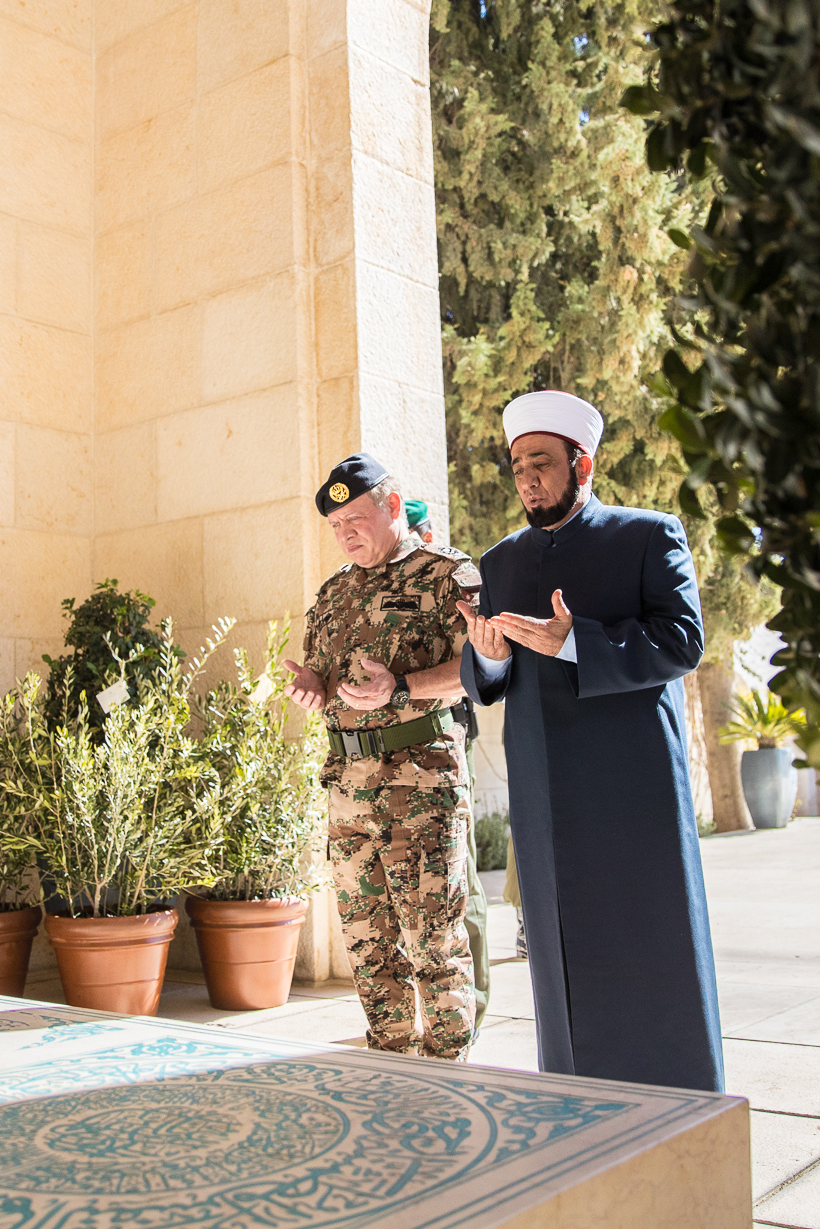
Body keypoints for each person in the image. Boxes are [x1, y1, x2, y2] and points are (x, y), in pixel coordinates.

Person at [458, 390, 725, 1092]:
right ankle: (575, 1106)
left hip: (633, 793)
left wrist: (576, 640)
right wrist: (486, 655)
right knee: (563, 968)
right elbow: (484, 675)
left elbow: (683, 641)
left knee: (652, 951)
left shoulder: (648, 535)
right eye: (517, 467)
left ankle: (681, 1105)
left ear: (584, 462)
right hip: (548, 800)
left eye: (541, 463)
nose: (527, 479)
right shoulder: (500, 561)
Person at [285, 455, 479, 1059]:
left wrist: (401, 686)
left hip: (422, 785)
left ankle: (450, 1074)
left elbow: (484, 670)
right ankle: (389, 1066)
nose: (346, 533)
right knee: (368, 942)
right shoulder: (334, 592)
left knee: (433, 940)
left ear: (393, 507)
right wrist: (313, 686)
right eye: (336, 525)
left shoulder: (449, 576)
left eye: (356, 518)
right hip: (348, 789)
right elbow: (324, 671)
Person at [402, 495, 495, 1015]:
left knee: (462, 880)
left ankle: (472, 1007)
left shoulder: (450, 576)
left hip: (447, 743)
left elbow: (473, 667)